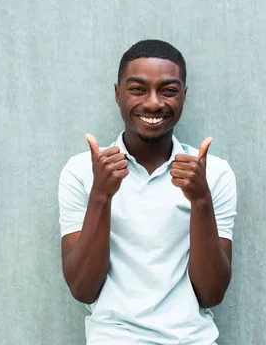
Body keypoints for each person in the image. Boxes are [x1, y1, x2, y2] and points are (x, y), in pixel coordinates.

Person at [57, 39, 238, 344]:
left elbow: (211, 293)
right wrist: (101, 194)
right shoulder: (80, 171)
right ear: (117, 94)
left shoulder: (214, 174)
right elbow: (82, 289)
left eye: (168, 90)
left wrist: (200, 200)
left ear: (183, 95)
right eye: (138, 89)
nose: (153, 103)